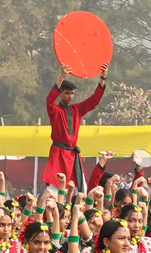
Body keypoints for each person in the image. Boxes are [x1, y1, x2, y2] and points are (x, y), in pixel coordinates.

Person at [43, 63, 108, 191]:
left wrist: (103, 77)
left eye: (72, 93)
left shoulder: (77, 109)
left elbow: (94, 100)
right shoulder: (54, 110)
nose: (70, 96)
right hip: (59, 155)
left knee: (80, 191)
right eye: (67, 93)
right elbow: (49, 100)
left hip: (73, 156)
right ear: (60, 94)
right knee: (55, 192)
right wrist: (61, 77)